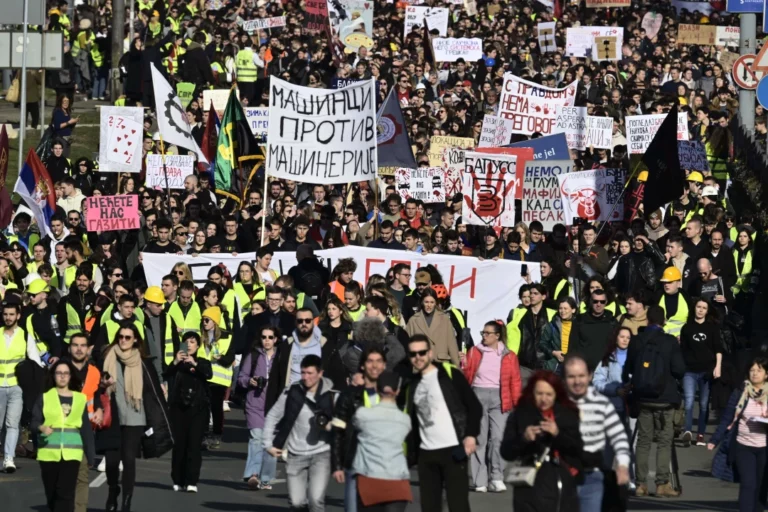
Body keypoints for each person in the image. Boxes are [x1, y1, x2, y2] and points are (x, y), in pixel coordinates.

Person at [403, 334, 482, 512]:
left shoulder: (449, 374)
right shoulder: (412, 384)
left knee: (458, 505)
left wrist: (470, 435)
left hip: (453, 450)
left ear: (430, 353)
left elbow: (474, 407)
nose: (418, 357)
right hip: (426, 455)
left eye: (422, 352)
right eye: (413, 354)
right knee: (429, 507)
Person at [98, 324, 172, 512]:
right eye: (120, 336)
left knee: (129, 459)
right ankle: (113, 490)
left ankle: (126, 502)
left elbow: (153, 393)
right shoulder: (107, 357)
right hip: (113, 415)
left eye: (128, 337)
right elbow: (96, 386)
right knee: (112, 461)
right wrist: (103, 385)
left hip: (135, 416)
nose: (123, 340)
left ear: (135, 339)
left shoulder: (143, 363)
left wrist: (158, 421)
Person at [622, 305, 685, 498]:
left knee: (643, 441)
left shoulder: (637, 340)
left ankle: (641, 484)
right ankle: (662, 484)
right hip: (665, 398)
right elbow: (679, 370)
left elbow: (628, 368)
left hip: (643, 397)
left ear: (647, 319)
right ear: (663, 321)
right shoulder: (669, 342)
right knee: (664, 441)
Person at [500, 370, 584, 512]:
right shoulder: (521, 414)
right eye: (539, 394)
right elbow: (506, 452)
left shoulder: (567, 414)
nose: (544, 399)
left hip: (561, 482)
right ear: (532, 393)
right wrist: (524, 439)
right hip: (528, 483)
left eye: (549, 394)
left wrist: (557, 434)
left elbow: (580, 450)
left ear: (556, 394)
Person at [263, 355, 335, 512]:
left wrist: (330, 426)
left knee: (316, 500)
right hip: (296, 453)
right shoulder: (292, 392)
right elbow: (273, 415)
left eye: (310, 373)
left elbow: (344, 423)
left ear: (320, 373)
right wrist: (268, 444)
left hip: (322, 454)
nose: (305, 377)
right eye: (303, 373)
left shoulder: (331, 395)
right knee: (296, 502)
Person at [563, 354, 631, 512]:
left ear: (589, 376)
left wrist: (622, 465)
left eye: (581, 376)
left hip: (592, 477)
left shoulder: (601, 404)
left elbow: (619, 436)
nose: (577, 381)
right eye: (571, 376)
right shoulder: (557, 403)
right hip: (563, 476)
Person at [462, 320, 522, 493]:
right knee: (479, 439)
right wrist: (462, 363)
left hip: (500, 399)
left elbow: (515, 382)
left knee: (499, 438)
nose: (484, 336)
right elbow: (466, 374)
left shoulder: (509, 355)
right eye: (483, 333)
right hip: (478, 396)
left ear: (497, 336)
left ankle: (496, 477)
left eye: (488, 333)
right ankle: (480, 480)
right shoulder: (474, 352)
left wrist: (518, 405)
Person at [31, 360, 94, 512]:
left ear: (71, 376)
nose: (63, 376)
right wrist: (41, 427)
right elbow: (34, 422)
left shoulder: (80, 399)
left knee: (65, 492)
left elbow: (86, 428)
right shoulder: (45, 397)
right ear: (53, 376)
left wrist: (90, 454)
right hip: (48, 453)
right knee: (52, 494)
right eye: (59, 373)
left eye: (66, 373)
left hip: (72, 454)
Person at [708, 356, 768, 512]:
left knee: (761, 486)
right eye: (752, 370)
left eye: (759, 370)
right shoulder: (741, 392)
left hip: (764, 447)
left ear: (766, 374)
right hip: (743, 445)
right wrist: (715, 439)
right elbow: (727, 418)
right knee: (748, 484)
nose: (755, 373)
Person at [331, 346, 387, 512]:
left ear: (384, 365)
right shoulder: (349, 396)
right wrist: (337, 465)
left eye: (378, 361)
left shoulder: (392, 396)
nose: (374, 366)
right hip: (356, 463)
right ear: (362, 366)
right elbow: (338, 431)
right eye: (370, 361)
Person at [352, 371, 413, 512]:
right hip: (398, 483)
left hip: (369, 481)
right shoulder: (405, 420)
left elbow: (352, 426)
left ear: (377, 389)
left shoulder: (363, 414)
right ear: (397, 391)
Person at [165, 332, 212, 493]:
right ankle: (178, 479)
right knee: (179, 445)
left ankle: (191, 480)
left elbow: (208, 374)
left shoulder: (202, 362)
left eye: (192, 342)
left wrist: (194, 364)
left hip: (197, 409)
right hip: (178, 408)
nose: (189, 345)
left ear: (198, 346)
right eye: (186, 342)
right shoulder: (177, 364)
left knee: (194, 445)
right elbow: (165, 374)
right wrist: (176, 361)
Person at [1, 300, 43, 473]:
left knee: (12, 424)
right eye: (5, 314)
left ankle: (9, 458)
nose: (8, 317)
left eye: (11, 314)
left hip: (17, 387)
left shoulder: (25, 336)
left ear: (18, 316)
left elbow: (35, 362)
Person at [237, 326, 280, 490]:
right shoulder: (253, 356)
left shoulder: (281, 358)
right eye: (264, 337)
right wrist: (250, 381)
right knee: (256, 438)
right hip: (254, 404)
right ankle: (253, 475)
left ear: (276, 339)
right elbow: (241, 378)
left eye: (270, 337)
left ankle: (266, 479)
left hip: (274, 406)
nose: (267, 340)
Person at [65, 332, 102, 512]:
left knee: (82, 476)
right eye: (75, 345)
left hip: (85, 430)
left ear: (88, 349)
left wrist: (100, 409)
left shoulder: (94, 372)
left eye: (82, 345)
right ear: (69, 348)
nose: (79, 349)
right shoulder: (60, 370)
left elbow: (97, 395)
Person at [680, 298, 723, 447]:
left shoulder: (712, 328)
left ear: (707, 311)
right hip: (689, 371)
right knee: (689, 401)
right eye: (698, 307)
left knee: (704, 405)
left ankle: (700, 434)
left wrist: (718, 367)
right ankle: (687, 431)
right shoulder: (687, 328)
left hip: (706, 372)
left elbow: (718, 349)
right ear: (694, 308)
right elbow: (682, 350)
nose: (700, 310)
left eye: (704, 308)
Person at [199, 307, 236, 450]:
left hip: (219, 379)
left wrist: (220, 358)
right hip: (204, 377)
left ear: (215, 321)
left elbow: (230, 358)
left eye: (207, 320)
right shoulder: (201, 336)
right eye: (203, 320)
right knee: (203, 407)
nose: (204, 322)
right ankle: (204, 434)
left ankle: (216, 434)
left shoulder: (227, 337)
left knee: (216, 407)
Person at [405, 288, 460, 367]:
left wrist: (457, 368)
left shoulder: (444, 319)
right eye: (426, 302)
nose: (429, 305)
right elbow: (407, 345)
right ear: (422, 302)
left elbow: (452, 345)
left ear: (435, 303)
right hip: (420, 365)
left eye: (432, 302)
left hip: (440, 364)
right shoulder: (413, 320)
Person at [567, 288, 619, 372]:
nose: (599, 304)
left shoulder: (612, 322)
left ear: (606, 302)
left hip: (605, 370)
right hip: (583, 370)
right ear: (591, 301)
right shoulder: (579, 321)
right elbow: (572, 347)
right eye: (595, 301)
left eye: (602, 302)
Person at [592, 327, 633, 426]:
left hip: (632, 407)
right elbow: (597, 382)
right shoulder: (608, 359)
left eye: (628, 338)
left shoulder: (637, 358)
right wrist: (615, 390)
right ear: (616, 338)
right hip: (613, 407)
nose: (625, 340)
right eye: (622, 337)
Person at [539, 297, 578, 373]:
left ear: (573, 310)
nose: (562, 311)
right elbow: (542, 343)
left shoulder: (580, 325)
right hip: (556, 365)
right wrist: (553, 352)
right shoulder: (552, 325)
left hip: (574, 364)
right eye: (560, 308)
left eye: (565, 308)